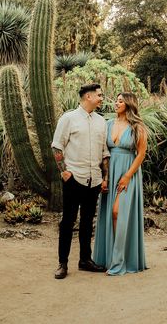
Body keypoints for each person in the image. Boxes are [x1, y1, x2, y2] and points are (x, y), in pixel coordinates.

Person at [51, 83, 110, 280]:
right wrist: (64, 172)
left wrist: (105, 177)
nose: (102, 98)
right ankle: (62, 263)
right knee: (67, 221)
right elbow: (57, 147)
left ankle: (85, 260)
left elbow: (104, 153)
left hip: (94, 180)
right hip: (74, 178)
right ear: (88, 96)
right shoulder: (69, 118)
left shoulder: (102, 121)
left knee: (86, 222)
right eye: (99, 95)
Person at [93, 92, 147, 275]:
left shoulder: (137, 127)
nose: (116, 103)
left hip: (128, 172)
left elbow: (141, 154)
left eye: (120, 101)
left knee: (118, 212)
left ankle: (119, 261)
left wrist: (127, 176)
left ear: (129, 104)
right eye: (116, 100)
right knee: (109, 213)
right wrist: (105, 177)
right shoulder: (108, 124)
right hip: (110, 172)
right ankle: (108, 259)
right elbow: (104, 153)